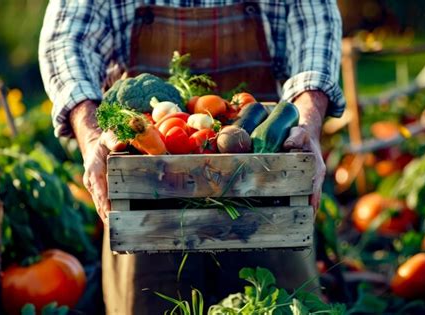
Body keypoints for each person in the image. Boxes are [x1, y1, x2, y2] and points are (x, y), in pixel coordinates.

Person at [39, 1, 345, 313]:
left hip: (267, 192)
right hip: (144, 205)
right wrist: (92, 138)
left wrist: (306, 120)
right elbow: (67, 41)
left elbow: (315, 29)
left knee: (279, 305)